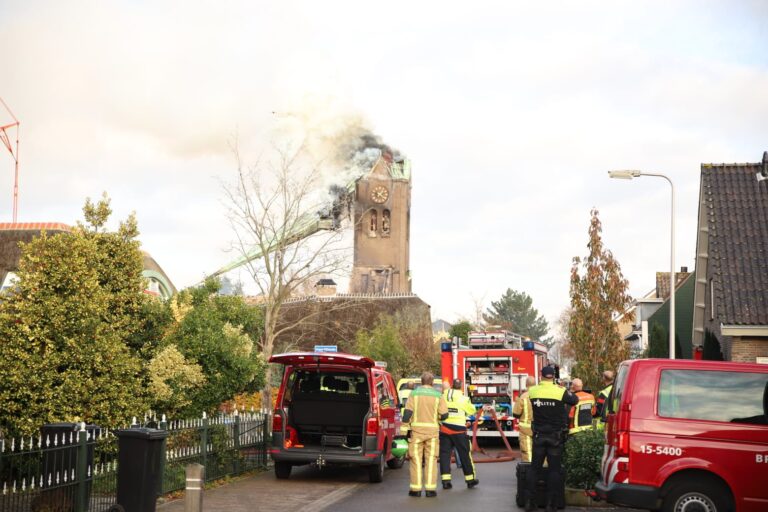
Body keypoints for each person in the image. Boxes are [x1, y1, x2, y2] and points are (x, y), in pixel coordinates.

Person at [525, 365, 578, 512]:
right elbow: (575, 400)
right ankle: (550, 504)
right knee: (554, 471)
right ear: (553, 376)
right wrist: (563, 388)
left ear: (541, 376)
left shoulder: (533, 391)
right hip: (555, 437)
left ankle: (530, 503)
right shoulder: (560, 391)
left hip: (539, 436)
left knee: (534, 469)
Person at [401, 371, 449, 497]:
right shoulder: (438, 395)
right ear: (432, 382)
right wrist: (438, 419)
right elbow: (444, 415)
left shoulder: (414, 393)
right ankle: (430, 490)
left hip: (416, 433)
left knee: (415, 460)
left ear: (421, 382)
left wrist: (403, 431)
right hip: (433, 433)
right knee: (431, 460)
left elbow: (407, 414)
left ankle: (415, 490)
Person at [439, 379, 479, 490]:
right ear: (461, 387)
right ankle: (470, 480)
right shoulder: (464, 399)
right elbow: (471, 411)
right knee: (464, 455)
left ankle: (446, 481)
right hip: (459, 431)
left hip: (445, 429)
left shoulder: (443, 396)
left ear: (451, 386)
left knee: (445, 455)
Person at [512, 376, 536, 462]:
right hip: (540, 428)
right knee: (541, 450)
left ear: (526, 385)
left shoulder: (523, 397)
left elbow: (516, 414)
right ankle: (543, 470)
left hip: (526, 429)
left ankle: (530, 471)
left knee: (527, 451)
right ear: (535, 384)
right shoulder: (540, 395)